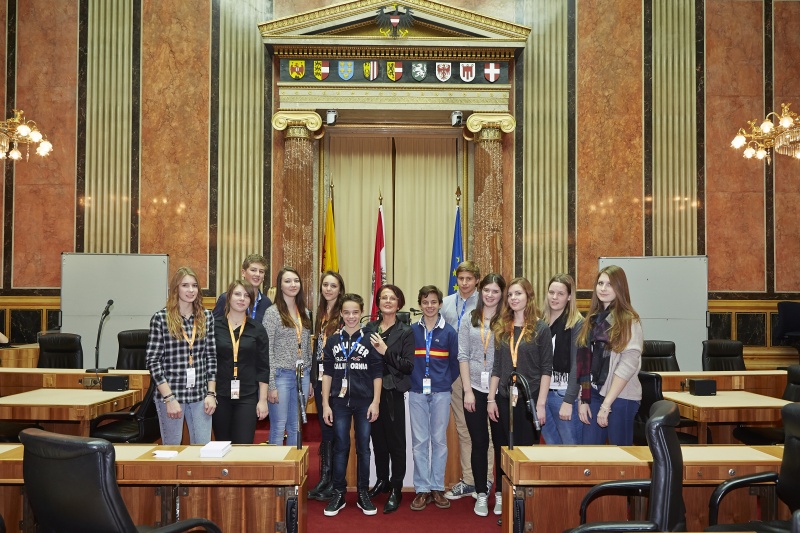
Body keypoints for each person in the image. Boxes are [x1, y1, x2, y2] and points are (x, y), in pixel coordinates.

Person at [487, 277, 552, 516]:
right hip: (504, 399)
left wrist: (541, 405)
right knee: (503, 450)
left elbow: (547, 369)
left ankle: (522, 501)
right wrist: (491, 399)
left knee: (524, 452)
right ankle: (504, 496)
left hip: (529, 400)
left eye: (518, 294)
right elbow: (496, 367)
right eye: (511, 295)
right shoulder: (501, 326)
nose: (514, 298)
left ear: (528, 297)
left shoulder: (541, 328)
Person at [321, 293, 383, 517]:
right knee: (340, 446)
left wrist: (376, 402)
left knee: (364, 448)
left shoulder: (370, 339)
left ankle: (362, 493)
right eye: (346, 312)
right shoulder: (333, 341)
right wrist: (325, 404)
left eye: (355, 312)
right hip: (338, 403)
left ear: (361, 313)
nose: (350, 316)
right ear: (341, 314)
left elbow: (378, 373)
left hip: (364, 402)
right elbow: (327, 374)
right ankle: (338, 493)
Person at [146, 266, 217, 445]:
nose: (191, 290)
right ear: (176, 288)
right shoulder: (161, 318)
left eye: (194, 286)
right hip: (172, 394)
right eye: (185, 285)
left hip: (200, 395)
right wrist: (169, 398)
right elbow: (153, 361)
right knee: (172, 450)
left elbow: (211, 357)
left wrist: (211, 393)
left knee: (203, 448)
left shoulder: (206, 317)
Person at [577, 265, 643, 446]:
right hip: (594, 393)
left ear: (620, 288)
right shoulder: (591, 320)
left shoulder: (629, 320)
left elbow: (628, 365)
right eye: (600, 283)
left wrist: (607, 405)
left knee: (620, 459)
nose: (603, 288)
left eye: (610, 284)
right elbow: (584, 363)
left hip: (621, 397)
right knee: (590, 454)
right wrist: (584, 398)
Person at [441, 260, 490, 500]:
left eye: (469, 279)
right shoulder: (447, 303)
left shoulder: (486, 302)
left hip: (482, 371)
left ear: (477, 280)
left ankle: (488, 478)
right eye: (461, 278)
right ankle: (470, 479)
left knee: (486, 429)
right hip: (455, 372)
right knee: (463, 428)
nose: (464, 283)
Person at [408, 285, 459, 512]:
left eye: (433, 302)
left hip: (441, 392)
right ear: (420, 304)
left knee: (439, 441)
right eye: (425, 302)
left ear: (440, 304)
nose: (429, 306)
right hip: (417, 393)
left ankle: (437, 486)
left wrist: (443, 382)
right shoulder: (411, 331)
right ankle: (421, 489)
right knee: (419, 442)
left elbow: (455, 366)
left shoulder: (449, 332)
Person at [458, 273, 505, 517]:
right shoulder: (470, 318)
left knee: (501, 444)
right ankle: (481, 493)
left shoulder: (507, 319)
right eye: (487, 290)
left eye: (495, 291)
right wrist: (467, 391)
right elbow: (463, 355)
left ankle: (500, 495)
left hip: (500, 392)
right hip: (474, 389)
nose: (490, 295)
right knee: (479, 443)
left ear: (501, 294)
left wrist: (493, 396)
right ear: (481, 291)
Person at [365, 284, 414, 514]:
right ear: (378, 302)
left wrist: (385, 351)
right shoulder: (369, 328)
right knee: (378, 441)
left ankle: (396, 487)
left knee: (396, 443)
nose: (387, 301)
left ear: (398, 303)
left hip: (392, 392)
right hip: (371, 393)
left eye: (392, 298)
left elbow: (407, 366)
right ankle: (382, 480)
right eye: (383, 297)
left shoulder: (405, 331)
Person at [212, 280, 270, 444]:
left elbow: (263, 367)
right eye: (237, 294)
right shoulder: (214, 326)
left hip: (247, 396)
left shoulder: (257, 329)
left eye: (246, 296)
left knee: (243, 445)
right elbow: (208, 361)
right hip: (220, 395)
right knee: (222, 445)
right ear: (228, 297)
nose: (242, 299)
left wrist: (263, 400)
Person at [262, 267, 313, 446]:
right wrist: (271, 384)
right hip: (280, 376)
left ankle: (292, 471)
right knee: (278, 426)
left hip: (302, 375)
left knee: (296, 426)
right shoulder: (272, 313)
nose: (293, 284)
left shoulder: (305, 312)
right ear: (280, 285)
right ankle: (276, 473)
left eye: (296, 281)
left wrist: (311, 378)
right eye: (288, 281)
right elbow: (266, 350)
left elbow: (307, 347)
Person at [308, 271, 345, 501]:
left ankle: (336, 481)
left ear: (340, 289)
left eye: (333, 285)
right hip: (320, 379)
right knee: (325, 428)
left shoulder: (344, 312)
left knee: (337, 430)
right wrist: (313, 379)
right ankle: (325, 477)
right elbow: (316, 351)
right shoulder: (320, 314)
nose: (328, 289)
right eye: (325, 285)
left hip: (338, 381)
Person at [540, 274, 585, 445]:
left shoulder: (577, 323)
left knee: (571, 450)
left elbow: (578, 365)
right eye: (551, 292)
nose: (554, 297)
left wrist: (568, 400)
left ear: (569, 297)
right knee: (553, 449)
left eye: (560, 294)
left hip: (564, 394)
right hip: (543, 395)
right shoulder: (540, 322)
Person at [213, 254, 272, 323]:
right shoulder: (226, 298)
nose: (257, 274)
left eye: (261, 271)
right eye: (253, 270)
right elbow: (213, 325)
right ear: (243, 273)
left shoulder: (266, 303)